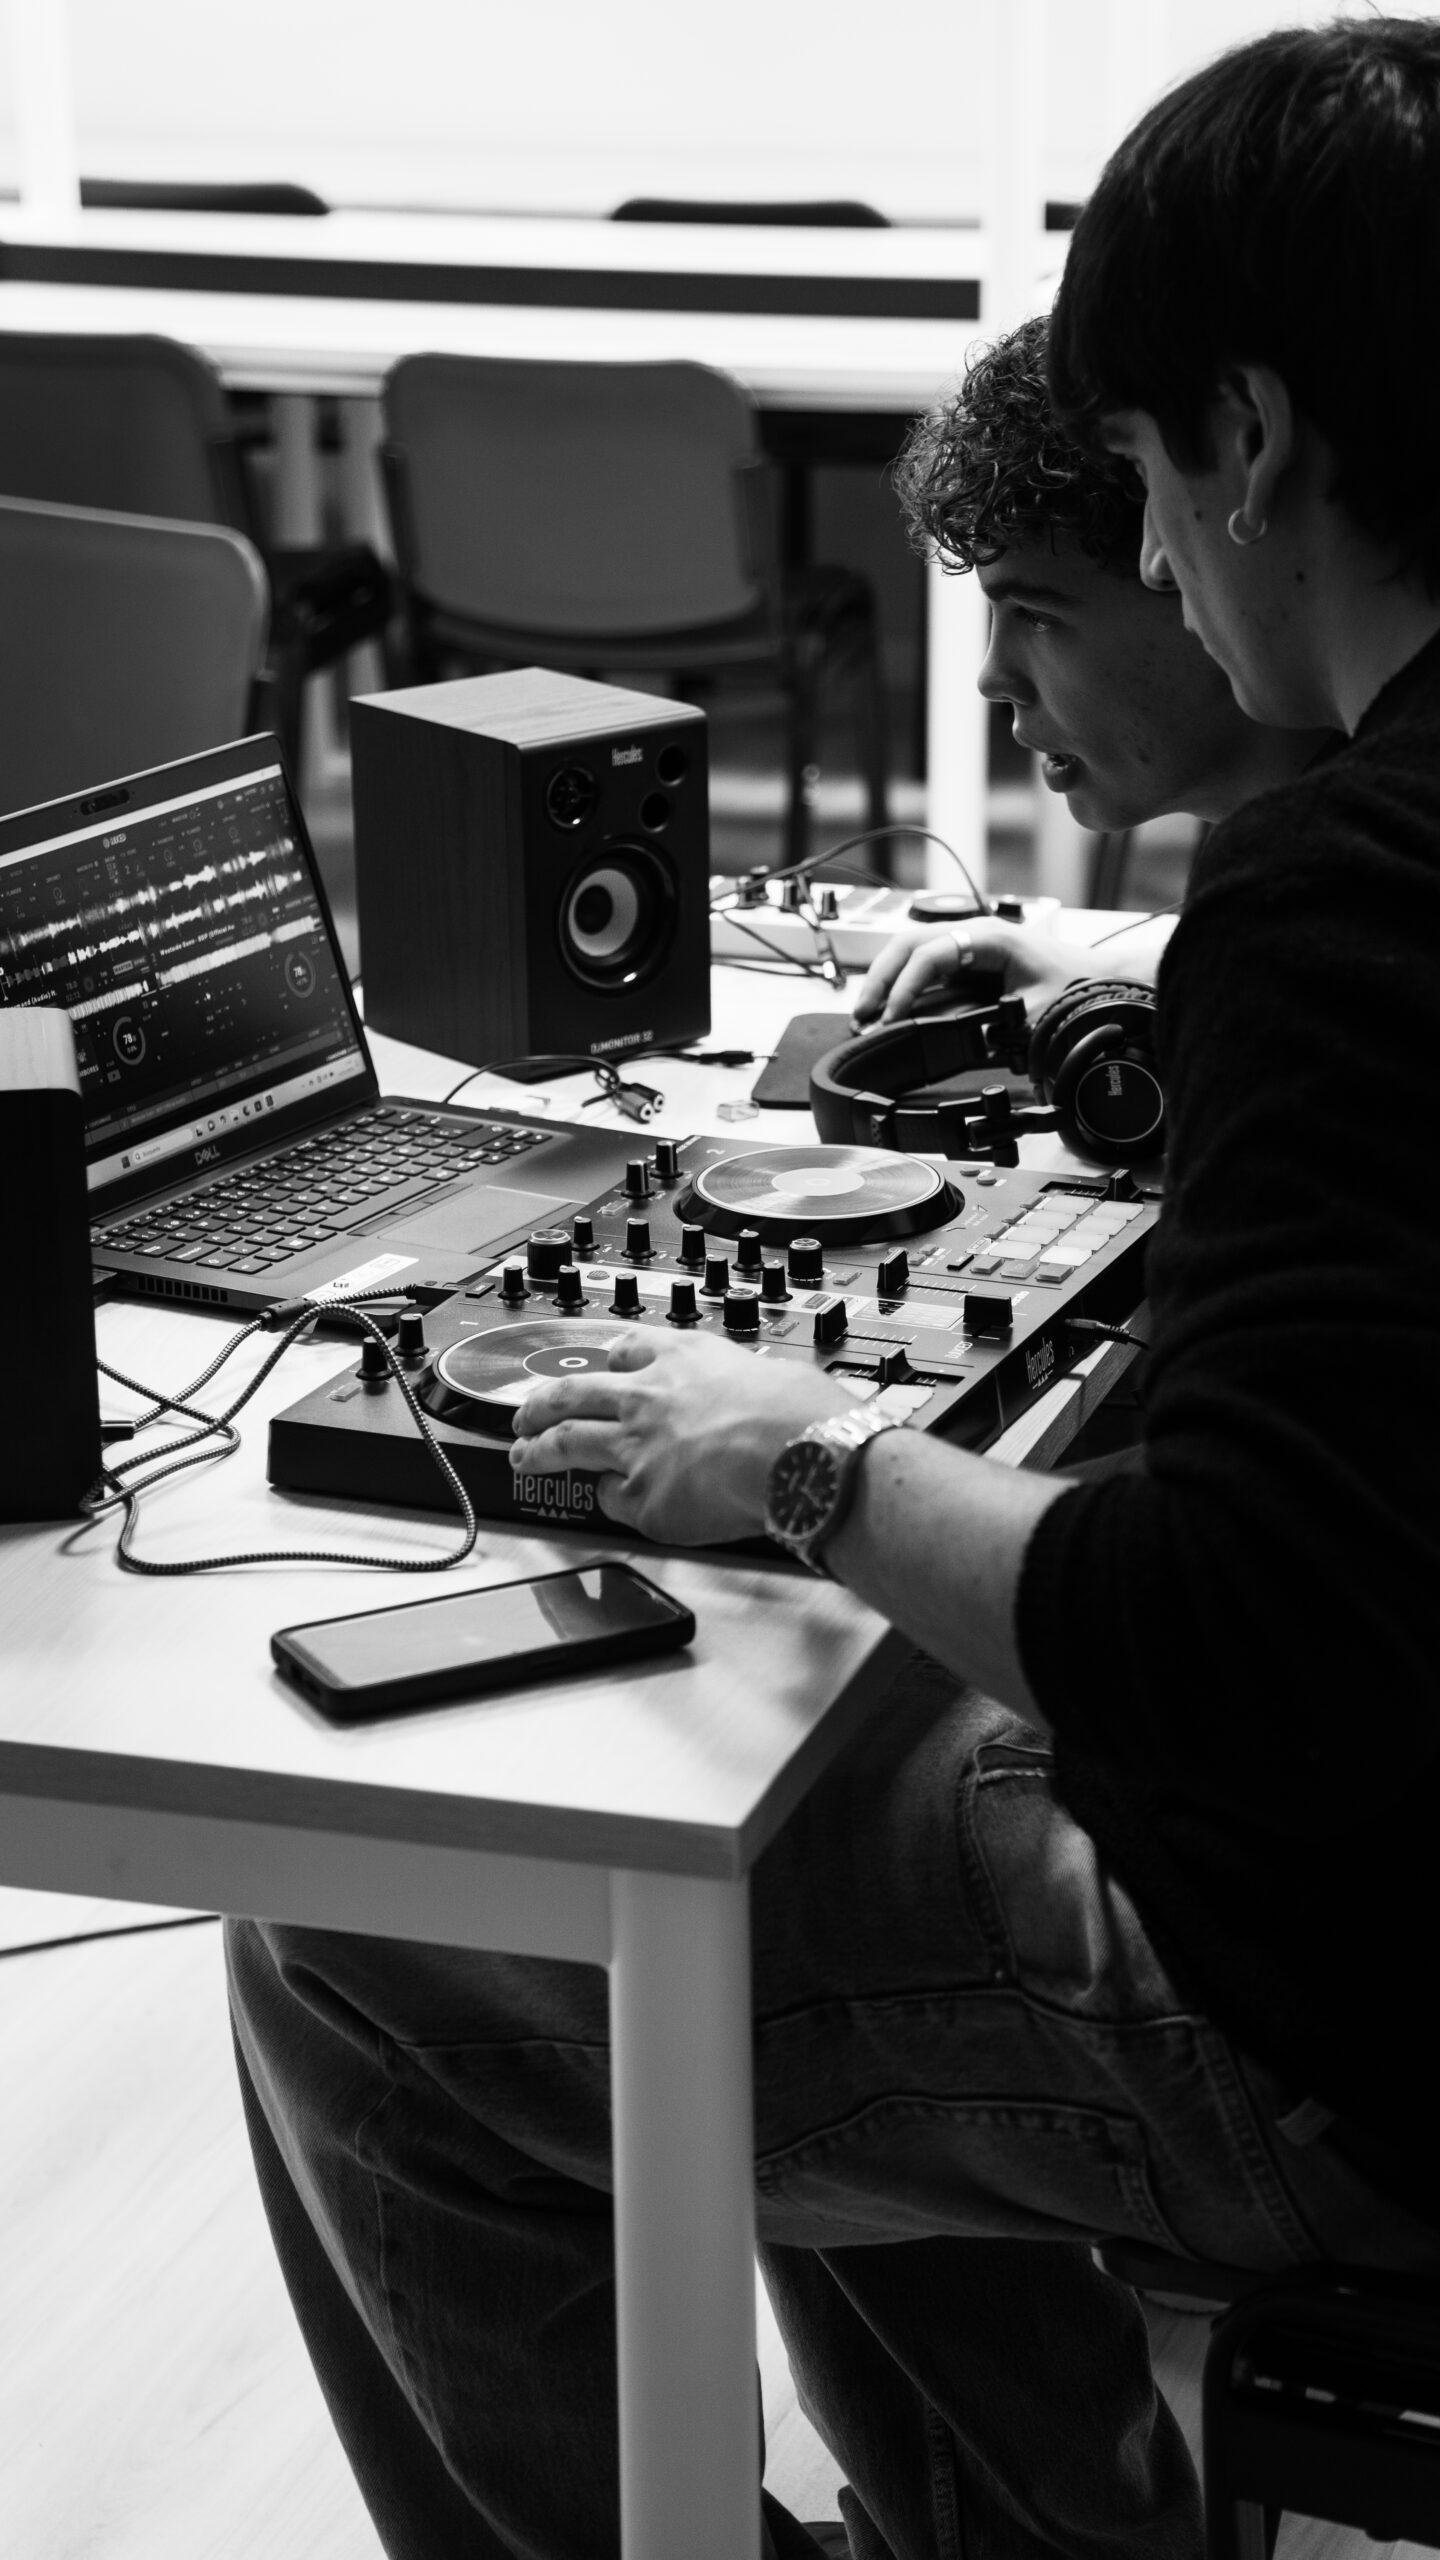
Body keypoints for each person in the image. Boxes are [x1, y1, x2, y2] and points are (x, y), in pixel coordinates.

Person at [225, 19, 1440, 2558]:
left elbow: (1231, 1643)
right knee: (825, 1774)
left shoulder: (1352, 891)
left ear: (1240, 438)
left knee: (366, 1935)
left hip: (1347, 2042)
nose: (1161, 574)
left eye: (1132, 480)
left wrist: (795, 1451)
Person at [851, 312, 1330, 1031]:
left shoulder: (1349, 895)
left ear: (1192, 568)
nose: (992, 678)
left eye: (1037, 615)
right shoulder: (1302, 892)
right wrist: (1107, 973)